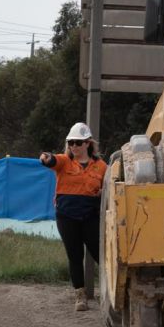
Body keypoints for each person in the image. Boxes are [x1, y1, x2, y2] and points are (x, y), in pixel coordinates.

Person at [39, 123, 107, 311]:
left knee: (100, 255)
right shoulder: (64, 162)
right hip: (67, 217)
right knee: (75, 255)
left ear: (88, 144)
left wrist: (103, 191)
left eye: (77, 143)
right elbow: (52, 160)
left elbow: (110, 186)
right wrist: (45, 158)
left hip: (91, 216)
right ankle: (80, 296)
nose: (74, 147)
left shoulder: (101, 167)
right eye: (71, 143)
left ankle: (110, 293)